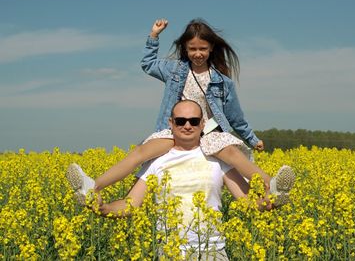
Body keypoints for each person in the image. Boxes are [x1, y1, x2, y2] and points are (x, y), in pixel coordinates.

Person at [66, 18, 295, 208]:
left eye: (202, 49)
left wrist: (252, 139)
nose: (198, 53)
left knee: (233, 155)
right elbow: (147, 64)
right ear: (185, 49)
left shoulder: (222, 81)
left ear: (211, 48)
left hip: (208, 131)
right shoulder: (173, 69)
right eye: (192, 49)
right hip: (174, 129)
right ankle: (92, 186)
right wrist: (153, 36)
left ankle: (270, 185)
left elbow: (235, 116)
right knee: (141, 152)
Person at [93, 100, 276, 260]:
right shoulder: (156, 162)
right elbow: (130, 204)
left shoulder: (219, 159)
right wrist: (104, 208)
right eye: (180, 121)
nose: (187, 126)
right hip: (170, 251)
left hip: (212, 250)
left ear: (203, 124)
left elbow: (247, 202)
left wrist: (267, 202)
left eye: (194, 121)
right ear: (170, 123)